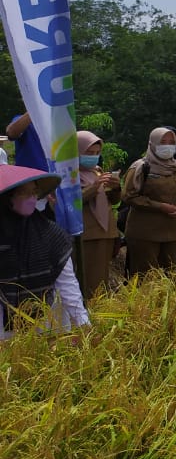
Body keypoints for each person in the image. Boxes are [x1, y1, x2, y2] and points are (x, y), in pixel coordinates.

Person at [0, 165, 89, 340]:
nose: (32, 198)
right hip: (6, 334)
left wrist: (83, 324)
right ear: (6, 198)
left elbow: (68, 284)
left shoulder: (50, 235)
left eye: (34, 192)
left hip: (49, 327)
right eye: (24, 193)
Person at [120, 127, 176, 276]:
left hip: (172, 232)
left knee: (170, 275)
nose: (168, 146)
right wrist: (160, 206)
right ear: (152, 143)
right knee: (145, 277)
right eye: (163, 142)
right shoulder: (140, 167)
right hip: (144, 232)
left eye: (171, 142)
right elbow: (129, 196)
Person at [6, 112, 78, 234]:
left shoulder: (58, 126)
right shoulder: (24, 121)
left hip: (52, 190)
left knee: (50, 234)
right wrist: (33, 108)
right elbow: (11, 132)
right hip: (28, 190)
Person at [77, 131, 121, 299]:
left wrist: (116, 187)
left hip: (106, 231)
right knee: (88, 279)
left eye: (96, 153)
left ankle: (100, 312)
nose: (93, 157)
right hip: (87, 233)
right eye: (89, 153)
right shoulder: (69, 174)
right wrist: (94, 188)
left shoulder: (97, 171)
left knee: (101, 278)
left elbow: (113, 200)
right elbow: (71, 202)